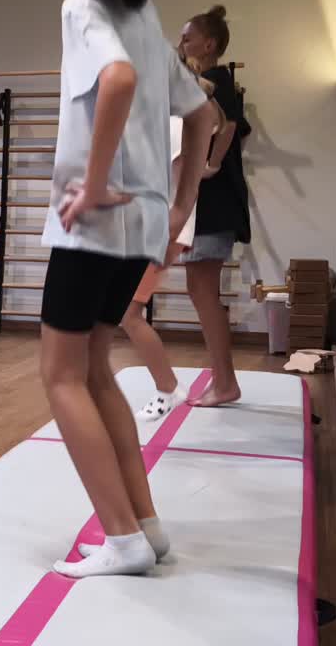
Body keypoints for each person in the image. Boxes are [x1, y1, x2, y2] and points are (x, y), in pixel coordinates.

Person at [41, 0, 215, 578]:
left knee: (59, 376)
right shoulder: (144, 15)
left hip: (96, 222)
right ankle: (145, 525)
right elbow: (203, 117)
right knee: (94, 371)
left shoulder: (83, 6)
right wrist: (177, 207)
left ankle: (122, 538)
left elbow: (115, 80)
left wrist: (88, 187)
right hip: (140, 223)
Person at [124, 86, 226, 423]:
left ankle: (168, 388)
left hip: (164, 229)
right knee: (122, 311)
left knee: (128, 313)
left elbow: (182, 183)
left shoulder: (180, 123)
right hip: (161, 227)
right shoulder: (174, 121)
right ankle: (166, 386)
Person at [177, 5, 251, 408]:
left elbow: (233, 125)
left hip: (215, 206)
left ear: (209, 44)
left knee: (204, 292)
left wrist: (213, 164)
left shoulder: (216, 81)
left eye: (187, 37)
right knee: (200, 291)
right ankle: (224, 380)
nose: (181, 43)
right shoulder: (205, 83)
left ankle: (225, 383)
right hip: (205, 207)